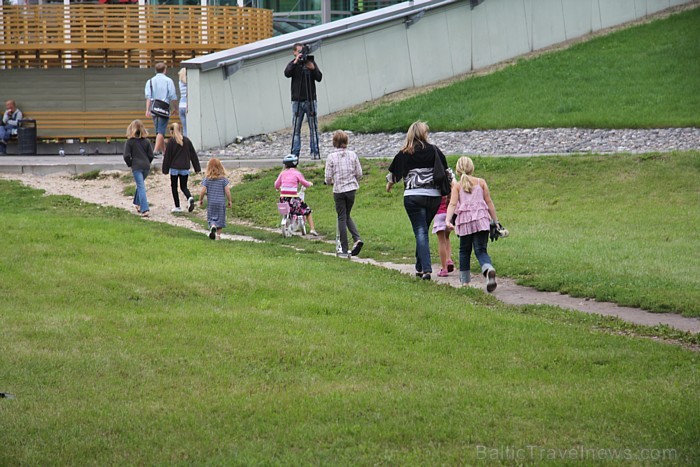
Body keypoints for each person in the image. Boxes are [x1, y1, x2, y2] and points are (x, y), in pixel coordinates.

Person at [386, 121, 451, 281]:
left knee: (420, 231)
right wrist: (449, 193)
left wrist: (389, 186)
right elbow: (447, 172)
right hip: (434, 197)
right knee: (422, 230)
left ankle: (427, 270)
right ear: (424, 134)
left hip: (413, 197)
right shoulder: (435, 150)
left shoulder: (404, 153)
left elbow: (394, 175)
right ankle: (419, 267)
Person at [445, 156, 500, 292]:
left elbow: (452, 204)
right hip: (482, 220)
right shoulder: (481, 182)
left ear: (457, 170)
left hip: (465, 222)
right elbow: (489, 202)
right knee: (481, 249)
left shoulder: (457, 186)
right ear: (472, 168)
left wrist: (447, 220)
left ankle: (465, 283)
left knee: (464, 251)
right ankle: (488, 269)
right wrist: (496, 221)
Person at [324, 130, 363, 257]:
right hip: (351, 190)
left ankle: (344, 249)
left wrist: (329, 182)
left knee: (341, 217)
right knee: (347, 215)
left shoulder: (331, 157)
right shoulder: (353, 155)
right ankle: (357, 239)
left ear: (334, 142)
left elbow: (328, 177)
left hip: (339, 190)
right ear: (346, 141)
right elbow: (359, 173)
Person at [284, 43, 322, 159]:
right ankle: (295, 153)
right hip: (297, 101)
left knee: (313, 128)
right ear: (294, 52)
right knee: (296, 129)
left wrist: (313, 68)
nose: (302, 55)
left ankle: (315, 152)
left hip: (310, 100)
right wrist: (296, 61)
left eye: (303, 52)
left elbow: (319, 77)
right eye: (299, 52)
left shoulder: (310, 62)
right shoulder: (294, 64)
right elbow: (287, 73)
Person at [274, 154, 318, 236]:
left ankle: (290, 223)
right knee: (307, 210)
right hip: (293, 199)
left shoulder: (282, 173)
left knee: (289, 210)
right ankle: (312, 229)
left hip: (283, 199)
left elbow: (276, 184)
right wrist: (309, 184)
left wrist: (279, 188)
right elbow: (304, 183)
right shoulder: (297, 173)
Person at [162, 122, 201, 213]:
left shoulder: (171, 142)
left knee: (174, 187)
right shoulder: (187, 141)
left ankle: (177, 206)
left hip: (174, 168)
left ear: (172, 131)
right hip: (185, 168)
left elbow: (168, 157)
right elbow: (193, 155)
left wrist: (165, 169)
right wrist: (197, 168)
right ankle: (189, 197)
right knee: (184, 186)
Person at [145, 62, 177, 157]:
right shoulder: (168, 81)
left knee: (159, 130)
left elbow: (148, 97)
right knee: (160, 131)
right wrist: (175, 108)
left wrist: (147, 109)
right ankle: (155, 151)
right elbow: (173, 96)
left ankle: (164, 152)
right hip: (164, 108)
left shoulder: (150, 81)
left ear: (155, 70)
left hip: (154, 108)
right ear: (165, 70)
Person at [123, 120, 154, 218]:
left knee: (141, 187)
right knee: (140, 184)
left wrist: (130, 164)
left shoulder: (129, 142)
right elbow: (151, 155)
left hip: (136, 166)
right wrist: (147, 162)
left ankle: (144, 209)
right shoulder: (147, 141)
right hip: (146, 167)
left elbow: (126, 156)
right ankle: (137, 203)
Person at [199, 158, 232, 240]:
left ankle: (213, 226)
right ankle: (218, 236)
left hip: (211, 203)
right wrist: (229, 200)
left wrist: (201, 199)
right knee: (220, 218)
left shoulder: (207, 179)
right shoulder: (223, 179)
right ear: (220, 167)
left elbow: (203, 191)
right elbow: (227, 191)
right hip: (220, 203)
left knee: (212, 217)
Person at [433, 194, 455, 277]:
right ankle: (448, 259)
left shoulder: (436, 187)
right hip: (449, 214)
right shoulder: (448, 186)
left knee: (441, 241)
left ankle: (444, 268)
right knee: (447, 238)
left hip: (439, 214)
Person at [177, 67, 188, 137]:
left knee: (185, 128)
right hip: (187, 105)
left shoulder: (180, 82)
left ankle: (185, 144)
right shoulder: (189, 83)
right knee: (191, 128)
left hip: (181, 106)